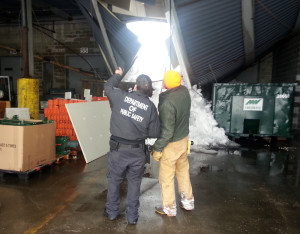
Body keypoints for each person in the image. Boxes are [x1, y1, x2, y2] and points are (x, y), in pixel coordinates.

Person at [104, 67, 160, 225]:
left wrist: (118, 75)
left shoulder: (120, 96)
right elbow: (155, 133)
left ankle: (112, 212)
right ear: (148, 90)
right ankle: (132, 217)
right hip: (137, 152)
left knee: (114, 181)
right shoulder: (150, 107)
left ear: (135, 86)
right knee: (134, 183)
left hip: (118, 150)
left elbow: (107, 87)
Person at [152, 70, 194, 217]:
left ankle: (168, 207)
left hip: (172, 144)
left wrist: (157, 148)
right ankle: (188, 202)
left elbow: (167, 131)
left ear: (168, 83)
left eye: (164, 79)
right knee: (183, 172)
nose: (162, 81)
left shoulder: (168, 103)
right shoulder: (184, 92)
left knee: (166, 177)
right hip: (183, 139)